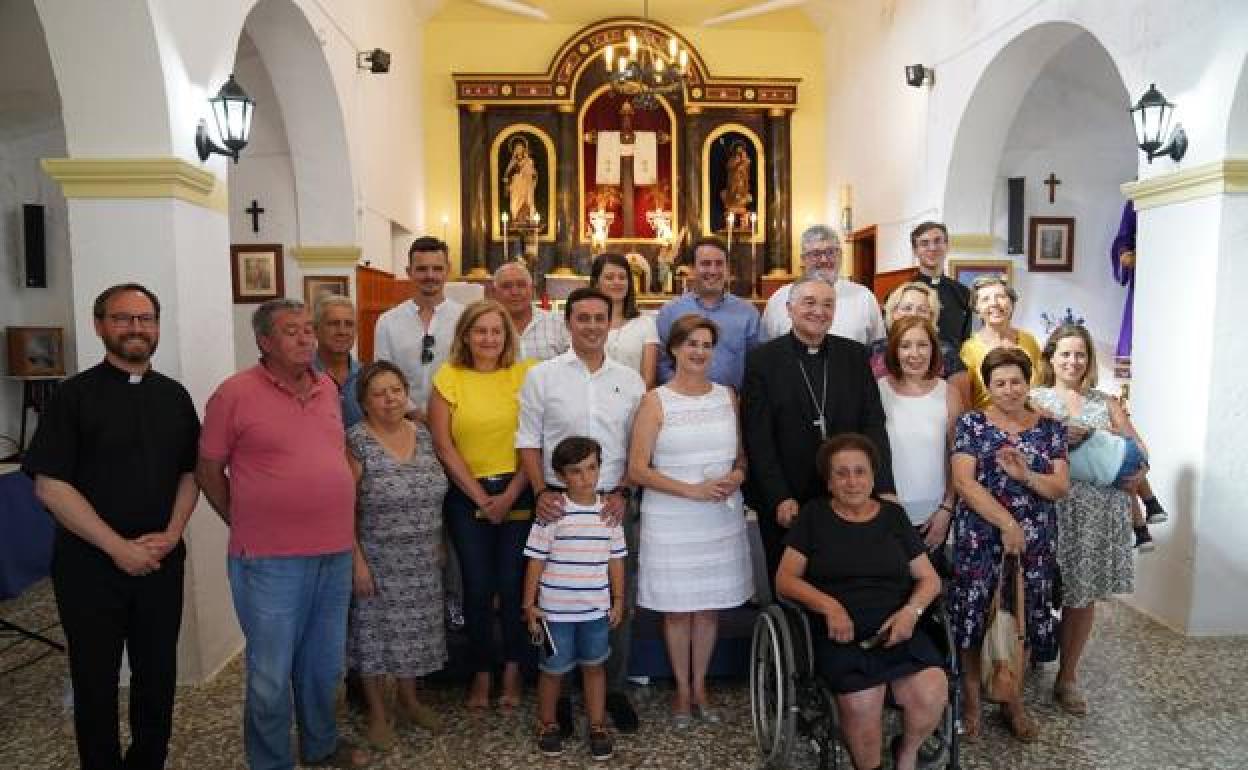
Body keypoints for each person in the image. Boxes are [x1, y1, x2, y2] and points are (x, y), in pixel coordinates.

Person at [22, 283, 200, 770]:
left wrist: (172, 531)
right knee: (95, 681)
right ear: (100, 325)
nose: (136, 328)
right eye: (123, 318)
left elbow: (192, 473)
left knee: (158, 676)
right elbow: (50, 486)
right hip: (89, 566)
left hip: (162, 561)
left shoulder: (175, 396)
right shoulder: (73, 396)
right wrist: (118, 548)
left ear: (158, 327)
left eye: (146, 318)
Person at [197, 299, 368, 770]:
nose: (305, 338)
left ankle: (320, 744)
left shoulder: (327, 390)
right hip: (269, 558)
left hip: (332, 552)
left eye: (307, 330)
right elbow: (209, 469)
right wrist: (243, 517)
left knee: (322, 666)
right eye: (291, 331)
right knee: (270, 672)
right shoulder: (234, 393)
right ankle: (270, 761)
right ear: (265, 341)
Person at [516, 286, 646, 735]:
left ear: (611, 322)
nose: (592, 325)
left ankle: (611, 690)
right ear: (568, 323)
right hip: (558, 501)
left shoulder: (630, 379)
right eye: (582, 318)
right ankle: (564, 696)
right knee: (560, 594)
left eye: (599, 317)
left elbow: (639, 445)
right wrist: (538, 492)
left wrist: (624, 490)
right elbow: (529, 439)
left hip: (612, 501)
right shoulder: (542, 376)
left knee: (613, 596)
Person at [776, 434, 946, 770]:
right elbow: (785, 579)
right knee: (862, 703)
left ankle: (908, 754)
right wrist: (829, 606)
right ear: (828, 480)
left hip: (898, 624)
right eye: (841, 473)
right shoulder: (813, 517)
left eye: (860, 471)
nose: (852, 481)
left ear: (872, 476)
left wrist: (911, 613)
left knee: (932, 689)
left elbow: (930, 579)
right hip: (840, 630)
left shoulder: (893, 517)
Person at [629, 314, 754, 725]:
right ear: (674, 350)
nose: (699, 351)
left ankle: (701, 685)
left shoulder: (728, 396)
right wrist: (691, 491)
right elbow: (637, 470)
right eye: (691, 344)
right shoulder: (655, 401)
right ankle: (682, 691)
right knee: (678, 609)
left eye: (706, 345)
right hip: (673, 516)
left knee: (708, 609)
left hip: (718, 515)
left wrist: (736, 476)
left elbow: (740, 457)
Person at [950, 347, 1069, 743]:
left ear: (1028, 381)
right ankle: (971, 702)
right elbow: (964, 482)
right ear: (988, 385)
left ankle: (1012, 700)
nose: (1008, 389)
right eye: (999, 383)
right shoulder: (972, 424)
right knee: (974, 616)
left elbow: (1059, 487)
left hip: (1035, 541)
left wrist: (1026, 476)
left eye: (1015, 381)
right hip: (980, 535)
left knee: (1022, 615)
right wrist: (1006, 523)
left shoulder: (1050, 428)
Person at [742, 277, 895, 582]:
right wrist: (778, 496)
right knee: (789, 583)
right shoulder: (764, 360)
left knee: (844, 576)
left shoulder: (853, 355)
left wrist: (884, 485)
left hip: (847, 490)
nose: (819, 311)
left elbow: (873, 424)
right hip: (788, 493)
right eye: (809, 302)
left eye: (828, 304)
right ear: (789, 308)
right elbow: (758, 437)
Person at [429, 299, 537, 709]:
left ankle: (513, 669)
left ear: (507, 336)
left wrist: (509, 495)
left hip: (518, 488)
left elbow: (534, 438)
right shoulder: (449, 377)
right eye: (481, 331)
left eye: (496, 331)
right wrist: (480, 497)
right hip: (466, 493)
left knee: (513, 585)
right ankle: (481, 671)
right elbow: (443, 444)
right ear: (466, 336)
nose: (489, 339)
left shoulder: (525, 375)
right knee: (476, 587)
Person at [1029, 323, 1142, 714]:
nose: (1073, 361)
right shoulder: (1032, 398)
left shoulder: (1107, 402)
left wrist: (1135, 467)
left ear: (1089, 360)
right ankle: (1025, 658)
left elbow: (1138, 450)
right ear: (1051, 357)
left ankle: (1068, 676)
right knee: (1037, 589)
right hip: (1049, 505)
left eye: (1080, 354)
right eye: (1065, 354)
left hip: (1099, 510)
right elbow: (1021, 451)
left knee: (1082, 594)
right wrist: (1060, 439)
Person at [346, 361, 447, 749]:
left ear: (407, 394)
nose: (389, 399)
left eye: (396, 391)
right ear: (364, 402)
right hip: (376, 558)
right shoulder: (356, 441)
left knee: (415, 635)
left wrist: (439, 541)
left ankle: (408, 700)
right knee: (374, 638)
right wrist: (356, 561)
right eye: (378, 393)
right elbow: (345, 508)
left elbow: (437, 492)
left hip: (422, 555)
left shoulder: (422, 435)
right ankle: (377, 713)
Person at [523, 436, 627, 761]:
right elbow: (536, 560)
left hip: (595, 611)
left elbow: (616, 560)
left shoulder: (609, 513)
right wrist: (529, 605)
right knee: (553, 671)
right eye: (576, 471)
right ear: (560, 475)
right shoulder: (553, 513)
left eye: (592, 468)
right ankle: (547, 723)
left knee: (595, 668)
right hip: (555, 613)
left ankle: (597, 726)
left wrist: (619, 599)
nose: (586, 477)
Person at [878, 316, 963, 569]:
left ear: (933, 349)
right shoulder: (878, 390)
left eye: (922, 345)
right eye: (905, 346)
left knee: (928, 593)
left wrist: (947, 510)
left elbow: (958, 458)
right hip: (886, 513)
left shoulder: (949, 392)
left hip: (933, 516)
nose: (914, 354)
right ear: (894, 350)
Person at [373, 236, 465, 420]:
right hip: (402, 421)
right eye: (422, 269)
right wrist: (413, 412)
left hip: (456, 420)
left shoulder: (464, 319)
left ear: (448, 270)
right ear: (409, 272)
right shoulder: (388, 322)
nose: (430, 275)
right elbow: (383, 374)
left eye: (437, 268)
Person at [655, 237, 760, 390]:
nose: (713, 271)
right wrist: (684, 394)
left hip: (732, 405)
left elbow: (756, 365)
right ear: (692, 268)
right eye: (705, 264)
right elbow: (662, 363)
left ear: (727, 269)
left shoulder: (747, 313)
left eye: (719, 264)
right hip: (681, 405)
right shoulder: (670, 312)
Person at [759, 225, 885, 346]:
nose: (824, 260)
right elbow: (766, 349)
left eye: (831, 252)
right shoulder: (779, 299)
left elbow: (878, 350)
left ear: (840, 256)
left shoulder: (864, 297)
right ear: (803, 259)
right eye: (815, 254)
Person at [869, 281, 972, 408]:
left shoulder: (948, 353)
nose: (913, 314)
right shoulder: (872, 351)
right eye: (907, 308)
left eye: (922, 310)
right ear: (893, 312)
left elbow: (963, 408)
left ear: (932, 316)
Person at [958, 274, 1043, 409]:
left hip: (1030, 422)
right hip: (987, 425)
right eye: (985, 299)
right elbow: (964, 401)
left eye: (1000, 297)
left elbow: (1042, 388)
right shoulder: (969, 349)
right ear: (977, 310)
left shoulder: (1029, 341)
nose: (994, 303)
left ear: (1011, 304)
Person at [590, 253, 659, 387]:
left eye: (622, 277)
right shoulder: (586, 323)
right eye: (609, 278)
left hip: (634, 402)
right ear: (596, 283)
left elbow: (648, 381)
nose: (617, 282)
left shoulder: (645, 324)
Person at [910, 222, 973, 349]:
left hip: (953, 366)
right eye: (924, 243)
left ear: (947, 246)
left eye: (938, 241)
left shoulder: (963, 293)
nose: (932, 248)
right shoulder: (902, 293)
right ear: (915, 251)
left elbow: (966, 340)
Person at [493, 261, 568, 361]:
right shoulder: (487, 326)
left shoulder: (559, 322)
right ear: (494, 292)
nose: (515, 292)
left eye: (521, 285)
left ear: (532, 289)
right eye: (506, 286)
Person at [313, 294, 364, 428]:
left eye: (349, 324)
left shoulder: (367, 377)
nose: (342, 331)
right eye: (333, 324)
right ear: (315, 330)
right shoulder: (300, 375)